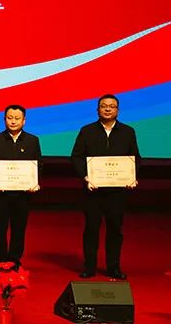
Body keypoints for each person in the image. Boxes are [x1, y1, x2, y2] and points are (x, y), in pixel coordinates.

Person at [71, 94, 140, 279]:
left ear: (118, 110)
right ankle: (89, 267)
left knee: (115, 230)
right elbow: (76, 157)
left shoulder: (128, 132)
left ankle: (113, 267)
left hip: (117, 192)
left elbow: (135, 158)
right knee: (91, 229)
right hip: (93, 191)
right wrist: (85, 177)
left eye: (112, 106)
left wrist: (132, 177)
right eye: (103, 106)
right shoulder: (87, 131)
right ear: (98, 109)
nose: (107, 109)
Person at [0, 105, 41, 270]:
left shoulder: (32, 140)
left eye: (17, 118)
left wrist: (35, 182)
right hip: (0, 194)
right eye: (10, 118)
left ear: (24, 120)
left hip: (23, 194)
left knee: (19, 228)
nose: (13, 121)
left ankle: (15, 259)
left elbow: (38, 163)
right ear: (4, 120)